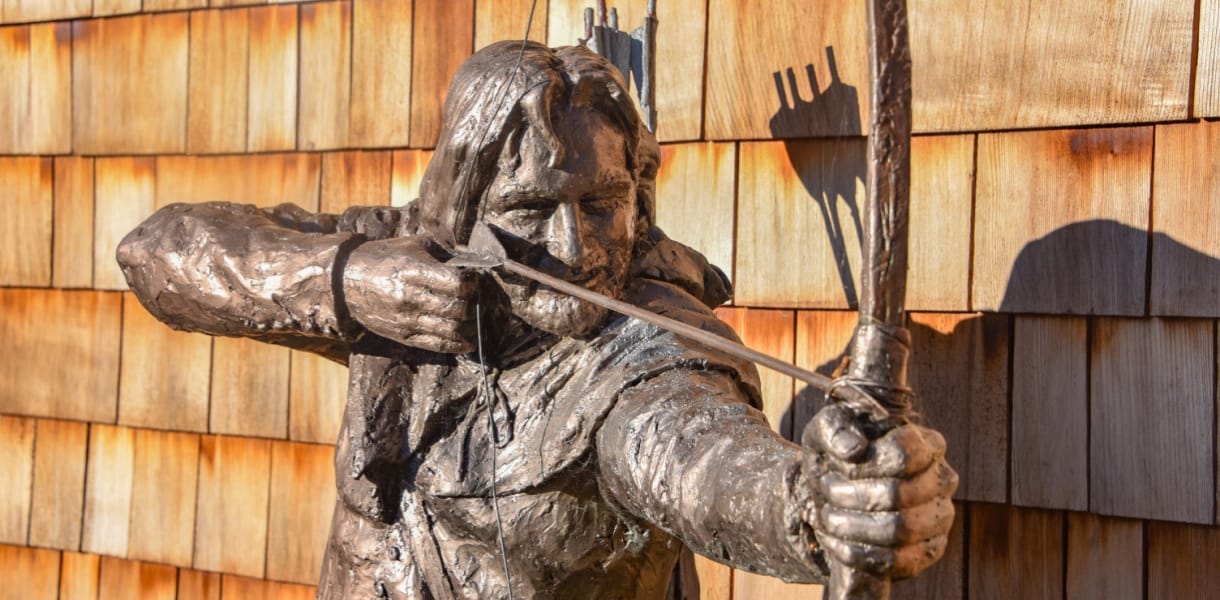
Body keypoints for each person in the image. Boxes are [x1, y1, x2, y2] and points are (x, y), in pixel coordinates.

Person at [117, 41, 956, 599]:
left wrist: (815, 506)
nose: (574, 247)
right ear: (466, 201)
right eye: (531, 208)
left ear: (639, 197)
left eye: (603, 204)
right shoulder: (411, 261)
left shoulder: (651, 349)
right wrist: (346, 278)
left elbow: (697, 459)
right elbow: (156, 252)